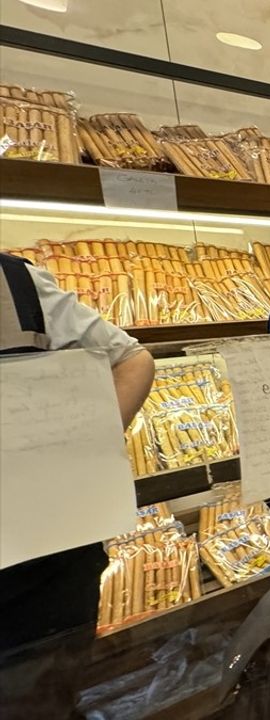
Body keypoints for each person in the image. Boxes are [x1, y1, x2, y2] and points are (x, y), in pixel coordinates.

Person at [0, 252, 156, 715]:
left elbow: (131, 359)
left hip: (40, 570)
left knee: (44, 698)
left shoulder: (13, 282)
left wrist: (85, 460)